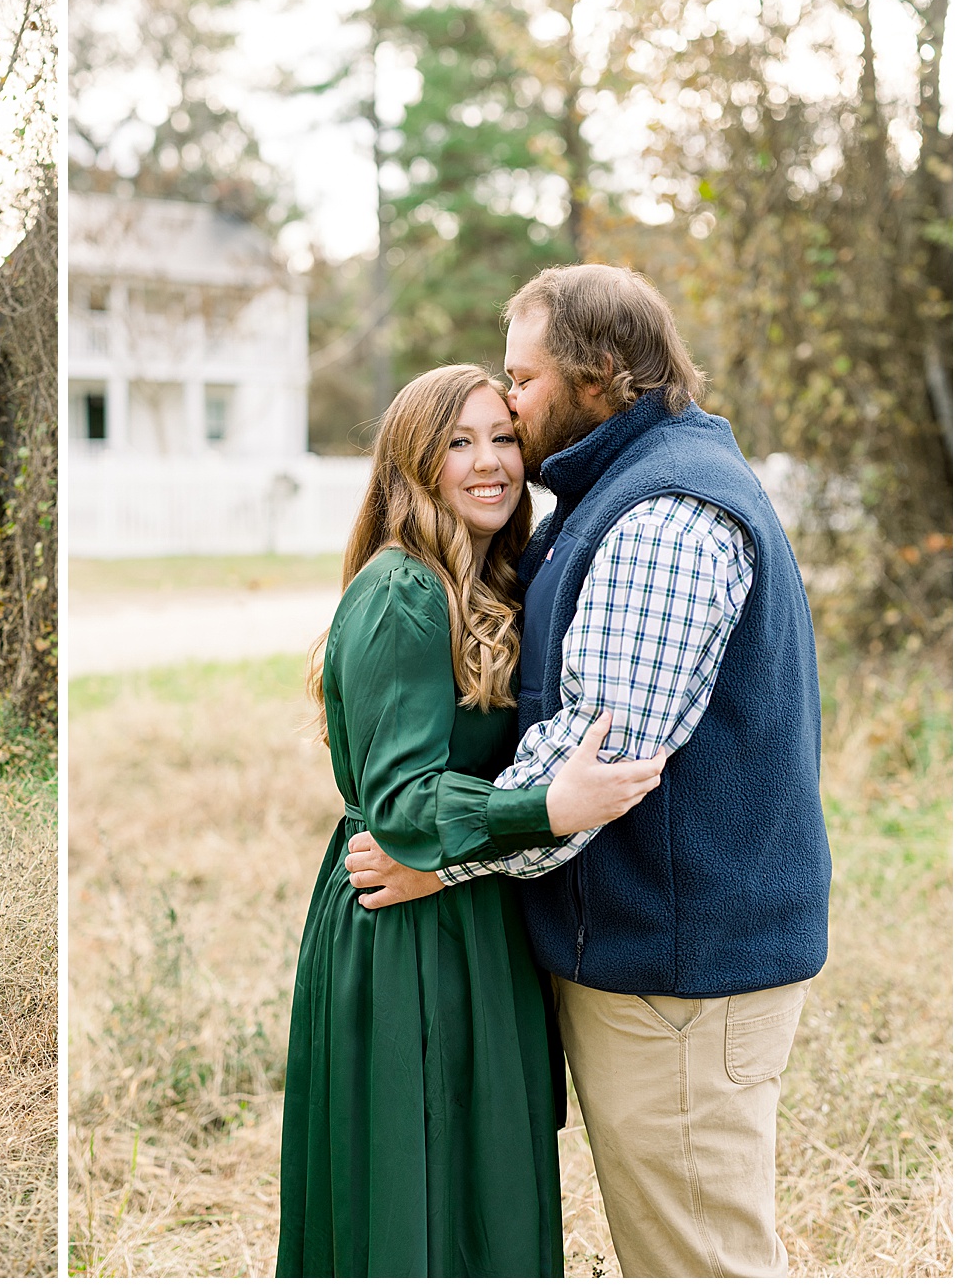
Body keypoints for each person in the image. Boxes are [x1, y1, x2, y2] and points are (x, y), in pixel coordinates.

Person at [345, 265, 829, 1277]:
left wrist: (448, 860)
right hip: (652, 961)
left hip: (679, 975)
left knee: (699, 1259)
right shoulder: (625, 483)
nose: (508, 407)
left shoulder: (661, 517)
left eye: (521, 382)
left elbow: (594, 765)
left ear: (598, 372)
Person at [276, 364, 668, 1277]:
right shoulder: (400, 594)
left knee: (486, 1188)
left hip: (477, 914)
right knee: (415, 1193)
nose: (489, 462)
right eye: (459, 443)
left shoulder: (492, 580)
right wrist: (547, 807)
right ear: (413, 465)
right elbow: (403, 800)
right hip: (406, 926)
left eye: (502, 437)